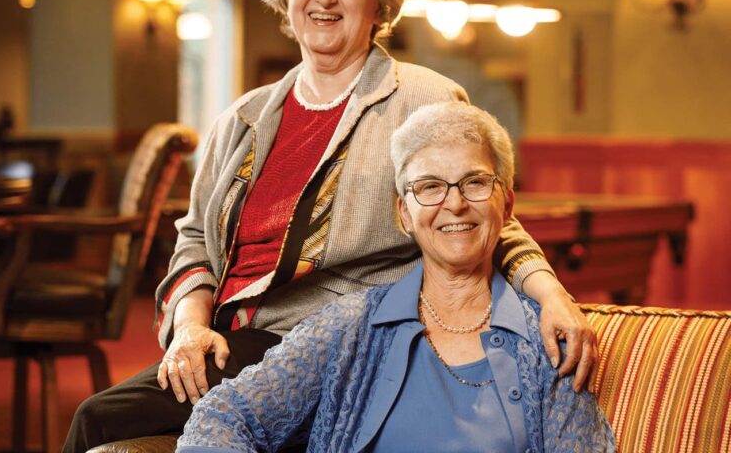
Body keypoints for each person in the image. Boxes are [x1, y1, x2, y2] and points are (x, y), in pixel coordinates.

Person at [64, 0, 597, 450]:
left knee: (100, 418)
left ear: (378, 1)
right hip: (229, 340)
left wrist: (552, 296)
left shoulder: (422, 97)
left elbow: (477, 212)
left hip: (339, 339)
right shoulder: (243, 117)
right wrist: (190, 327)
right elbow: (196, 237)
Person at [177, 102, 615, 452]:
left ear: (508, 205)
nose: (455, 204)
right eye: (430, 187)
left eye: (475, 183)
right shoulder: (348, 328)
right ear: (404, 214)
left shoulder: (546, 342)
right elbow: (224, 417)